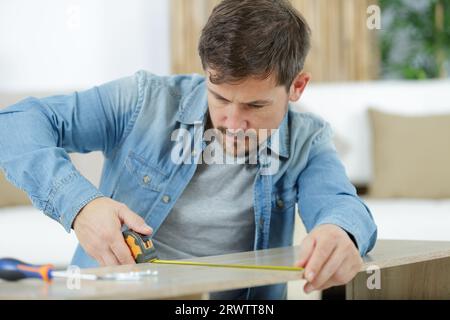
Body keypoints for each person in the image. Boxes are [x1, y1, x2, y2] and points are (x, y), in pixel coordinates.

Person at [0, 0, 377, 299]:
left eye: (254, 106)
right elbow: (14, 123)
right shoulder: (142, 100)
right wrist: (80, 205)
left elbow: (340, 204)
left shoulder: (307, 141)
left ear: (297, 87)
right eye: (220, 97)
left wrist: (340, 234)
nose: (232, 121)